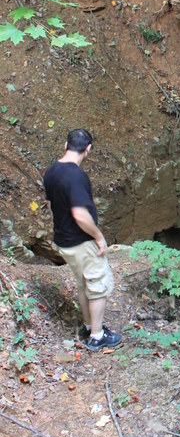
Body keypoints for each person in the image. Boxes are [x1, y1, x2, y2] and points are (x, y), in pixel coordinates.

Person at [43, 129, 123, 352]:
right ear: (88, 149)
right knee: (98, 285)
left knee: (83, 283)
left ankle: (89, 326)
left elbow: (50, 206)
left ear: (66, 144)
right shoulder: (76, 176)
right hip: (81, 242)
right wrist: (99, 237)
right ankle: (97, 337)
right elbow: (80, 215)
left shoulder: (51, 172)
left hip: (64, 241)